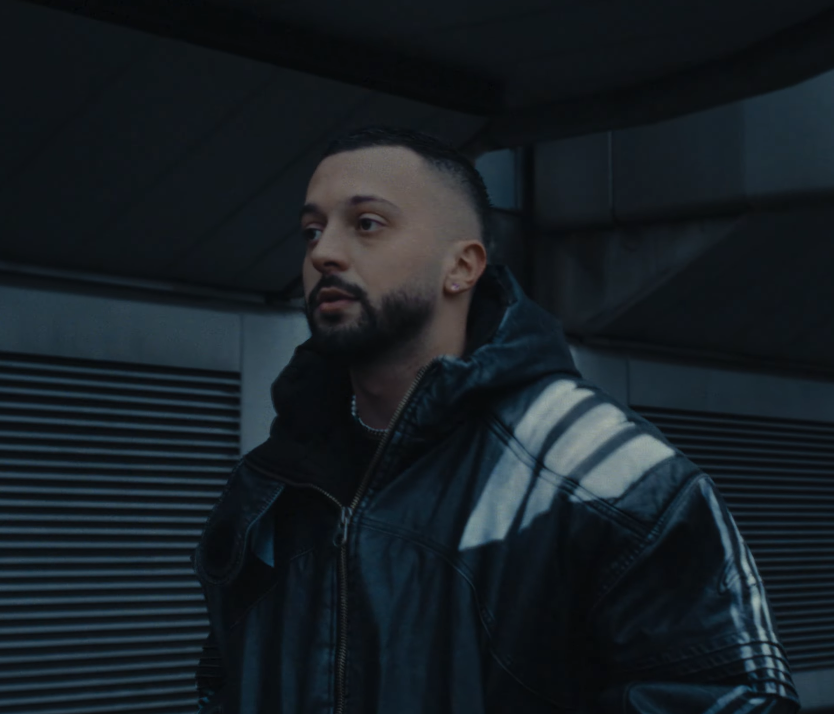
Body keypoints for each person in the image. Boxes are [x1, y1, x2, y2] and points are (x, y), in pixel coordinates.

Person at [192, 126, 799, 713]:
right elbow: (224, 684)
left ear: (462, 266)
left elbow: (734, 700)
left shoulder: (605, 474)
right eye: (312, 230)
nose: (324, 252)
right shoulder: (269, 484)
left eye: (367, 223)